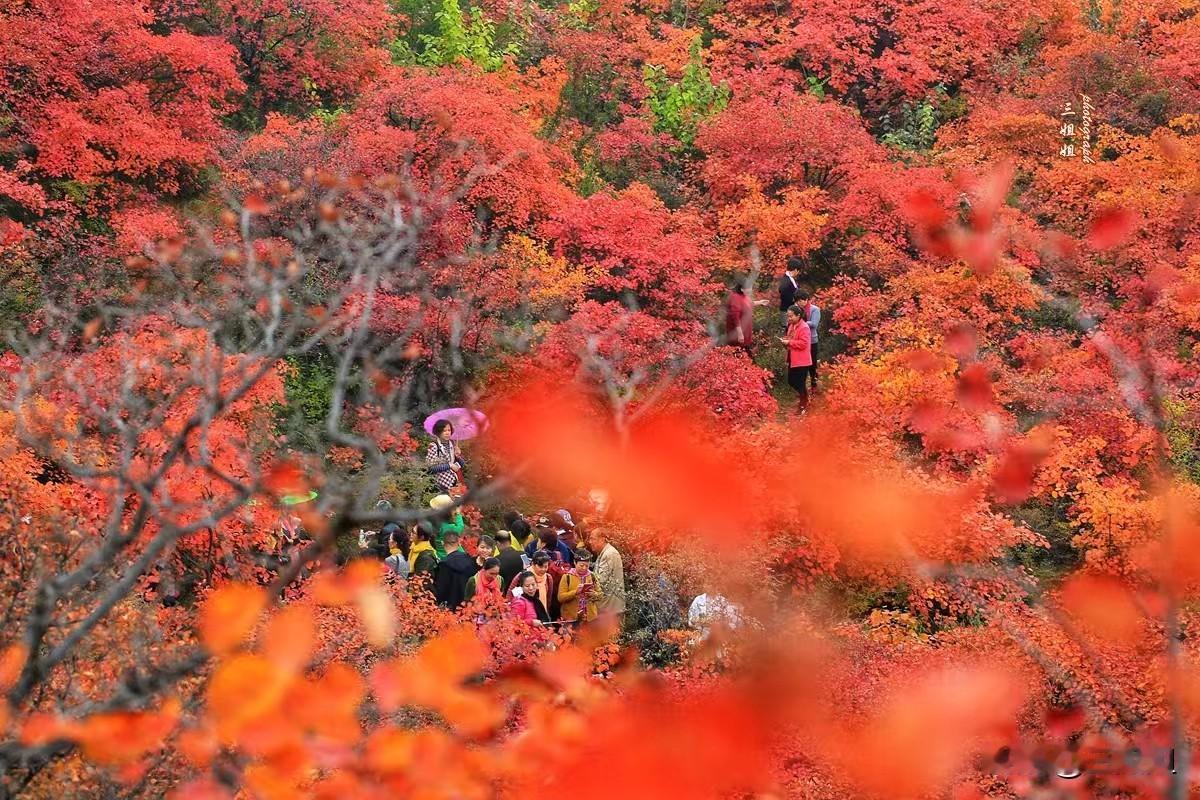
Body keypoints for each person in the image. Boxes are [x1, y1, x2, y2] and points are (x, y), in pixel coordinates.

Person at [586, 528, 625, 624]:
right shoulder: (605, 552)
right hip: (608, 608)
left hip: (610, 610)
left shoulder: (609, 554)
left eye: (592, 539)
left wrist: (582, 574)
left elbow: (600, 580)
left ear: (602, 539)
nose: (590, 542)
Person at [780, 304, 813, 412]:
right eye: (788, 316)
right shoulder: (791, 326)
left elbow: (803, 343)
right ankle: (804, 397)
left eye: (791, 316)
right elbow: (790, 339)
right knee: (791, 381)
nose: (789, 319)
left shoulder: (804, 327)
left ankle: (803, 404)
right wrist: (785, 341)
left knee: (799, 382)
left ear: (798, 315)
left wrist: (789, 342)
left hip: (802, 360)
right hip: (792, 358)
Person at [434, 531, 478, 609]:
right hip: (468, 605)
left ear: (442, 543)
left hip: (451, 607)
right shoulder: (469, 559)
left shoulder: (444, 565)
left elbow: (441, 589)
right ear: (458, 543)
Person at [558, 549, 601, 624]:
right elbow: (560, 598)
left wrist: (593, 594)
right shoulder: (567, 577)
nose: (584, 568)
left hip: (590, 619)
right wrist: (575, 592)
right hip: (572, 619)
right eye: (581, 565)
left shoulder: (592, 576)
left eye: (587, 566)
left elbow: (600, 595)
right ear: (575, 563)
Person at [426, 419, 466, 495]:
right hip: (442, 485)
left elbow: (461, 465)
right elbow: (430, 468)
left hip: (455, 481)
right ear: (438, 432)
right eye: (444, 431)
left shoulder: (452, 444)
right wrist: (449, 465)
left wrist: (458, 456)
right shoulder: (433, 446)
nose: (447, 433)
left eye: (449, 430)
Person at [796, 288, 821, 391]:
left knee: (812, 363)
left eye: (801, 300)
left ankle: (814, 383)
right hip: (800, 340)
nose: (799, 303)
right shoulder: (796, 309)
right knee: (802, 363)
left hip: (812, 340)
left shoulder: (814, 309)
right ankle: (802, 386)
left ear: (806, 299)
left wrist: (801, 323)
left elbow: (814, 324)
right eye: (797, 301)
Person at [429, 494, 464, 559]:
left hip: (439, 555)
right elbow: (460, 527)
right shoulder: (448, 527)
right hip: (452, 558)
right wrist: (458, 514)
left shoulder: (431, 522)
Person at [723, 279, 754, 351]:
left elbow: (745, 305)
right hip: (737, 333)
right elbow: (735, 318)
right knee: (739, 352)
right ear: (742, 289)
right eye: (749, 288)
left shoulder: (743, 295)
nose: (750, 290)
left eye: (751, 288)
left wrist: (760, 302)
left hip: (745, 330)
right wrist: (740, 334)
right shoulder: (735, 298)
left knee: (745, 352)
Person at [528, 550, 559, 621]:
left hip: (543, 615)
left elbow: (549, 599)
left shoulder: (548, 578)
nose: (543, 569)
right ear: (533, 564)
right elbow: (511, 594)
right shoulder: (523, 576)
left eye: (545, 567)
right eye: (540, 566)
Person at [408, 523, 439, 589]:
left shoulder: (426, 557)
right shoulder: (414, 548)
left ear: (421, 537)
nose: (410, 534)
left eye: (413, 533)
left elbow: (421, 581)